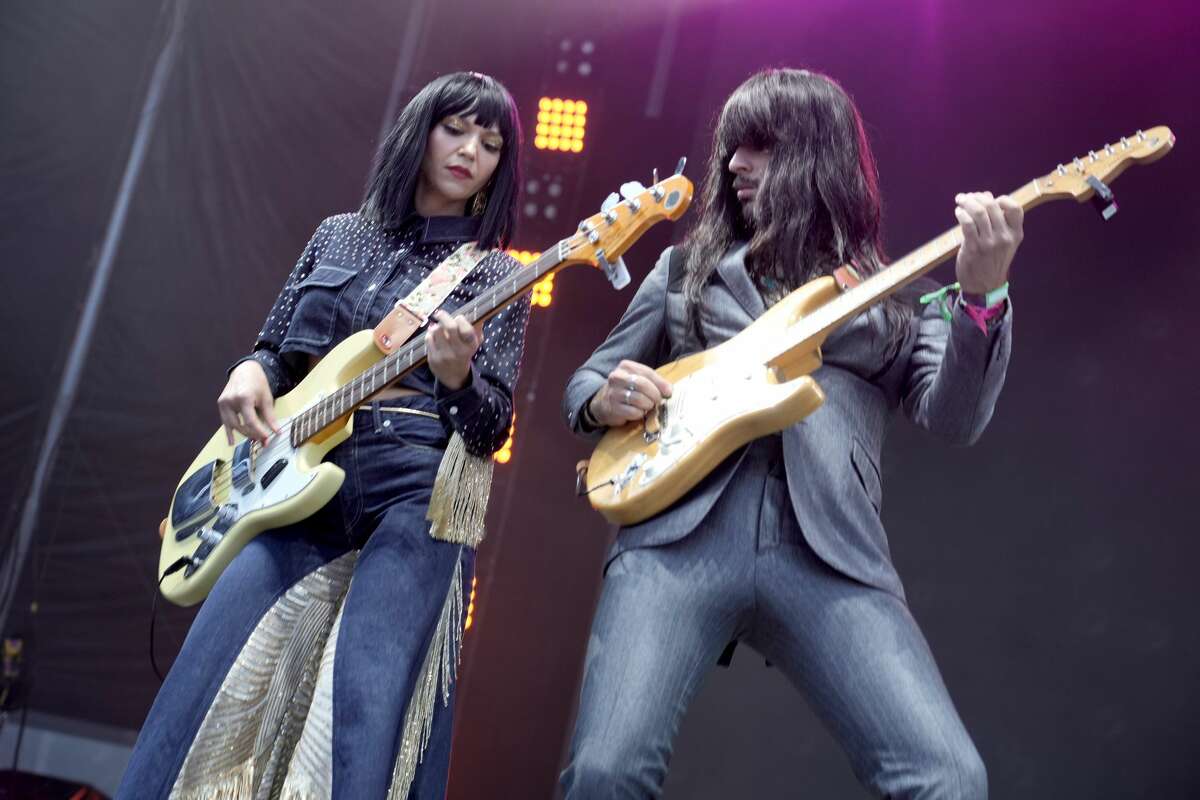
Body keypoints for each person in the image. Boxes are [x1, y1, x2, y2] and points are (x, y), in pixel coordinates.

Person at [560, 68, 1021, 799]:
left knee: (949, 778)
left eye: (761, 146)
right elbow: (583, 383)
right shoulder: (684, 272)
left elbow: (954, 417)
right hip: (678, 541)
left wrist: (982, 293)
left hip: (830, 554)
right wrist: (605, 396)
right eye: (731, 147)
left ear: (819, 157)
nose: (735, 164)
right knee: (604, 773)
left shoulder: (895, 298)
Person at [118, 71, 529, 800]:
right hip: (293, 473)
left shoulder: (494, 274)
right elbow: (276, 349)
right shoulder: (339, 234)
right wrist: (250, 370)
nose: (471, 151)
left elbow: (491, 426)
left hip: (411, 486)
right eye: (457, 129)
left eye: (491, 143)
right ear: (421, 131)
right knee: (203, 678)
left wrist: (460, 377)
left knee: (366, 703)